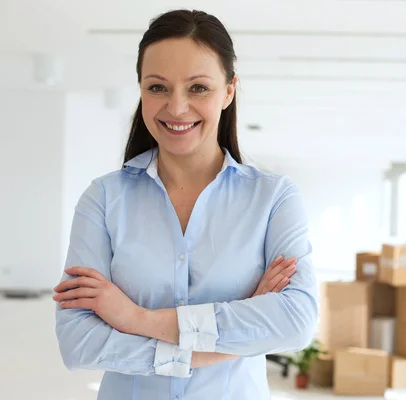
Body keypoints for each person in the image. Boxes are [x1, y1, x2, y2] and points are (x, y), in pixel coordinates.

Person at [53, 9, 318, 400]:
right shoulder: (103, 199)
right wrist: (229, 337)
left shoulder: (273, 198)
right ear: (141, 89)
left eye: (198, 88)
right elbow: (78, 343)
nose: (176, 108)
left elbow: (296, 322)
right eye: (157, 87)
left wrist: (135, 318)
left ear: (228, 91)